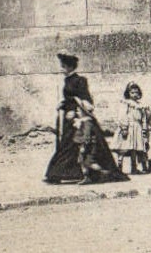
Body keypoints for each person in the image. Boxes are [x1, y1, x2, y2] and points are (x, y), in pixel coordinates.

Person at [43, 51, 124, 184]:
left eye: (63, 66)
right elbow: (69, 98)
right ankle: (63, 173)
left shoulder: (80, 80)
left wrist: (76, 111)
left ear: (70, 67)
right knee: (67, 143)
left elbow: (84, 98)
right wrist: (63, 104)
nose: (61, 69)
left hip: (77, 117)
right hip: (68, 116)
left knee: (76, 144)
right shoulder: (67, 80)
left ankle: (65, 173)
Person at [114, 81, 151, 175]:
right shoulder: (126, 103)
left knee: (135, 149)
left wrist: (144, 128)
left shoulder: (140, 105)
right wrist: (124, 127)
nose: (134, 94)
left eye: (136, 92)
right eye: (132, 92)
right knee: (124, 148)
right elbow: (122, 115)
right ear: (128, 93)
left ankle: (134, 168)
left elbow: (143, 118)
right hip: (128, 127)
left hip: (137, 128)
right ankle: (119, 168)